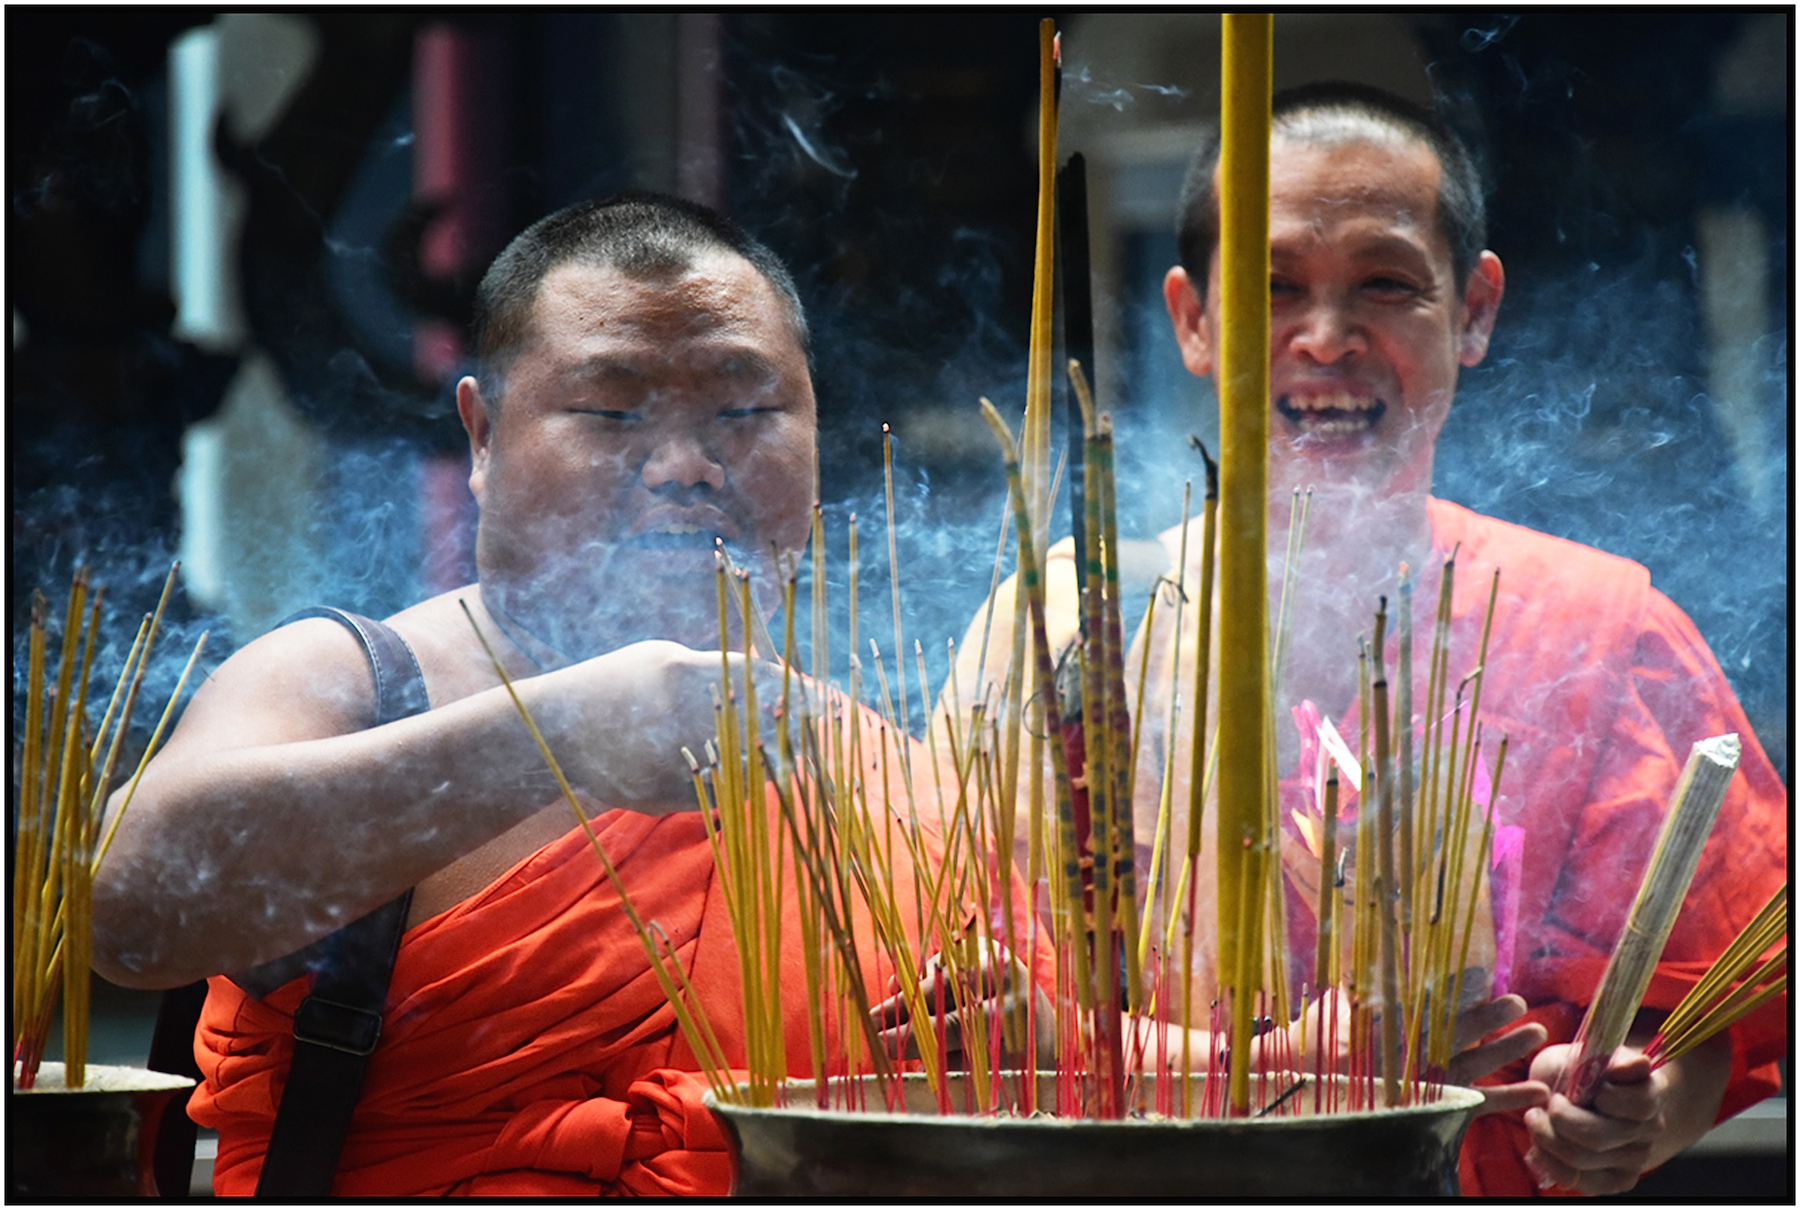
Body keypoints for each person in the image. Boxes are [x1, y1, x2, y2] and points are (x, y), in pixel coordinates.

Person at [93, 193, 1043, 1196]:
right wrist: (557, 734)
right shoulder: (360, 682)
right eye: (609, 411)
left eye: (747, 412)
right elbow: (132, 912)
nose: (685, 467)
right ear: (484, 436)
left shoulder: (875, 763)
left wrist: (1038, 1037)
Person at [940, 83, 1786, 1197]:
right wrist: (1312, 1070)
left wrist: (1638, 1115)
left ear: (1475, 310)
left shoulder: (1600, 628)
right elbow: (982, 1024)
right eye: (1273, 287)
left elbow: (1710, 1001)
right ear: (1192, 319)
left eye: (1386, 285)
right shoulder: (1065, 630)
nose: (1328, 340)